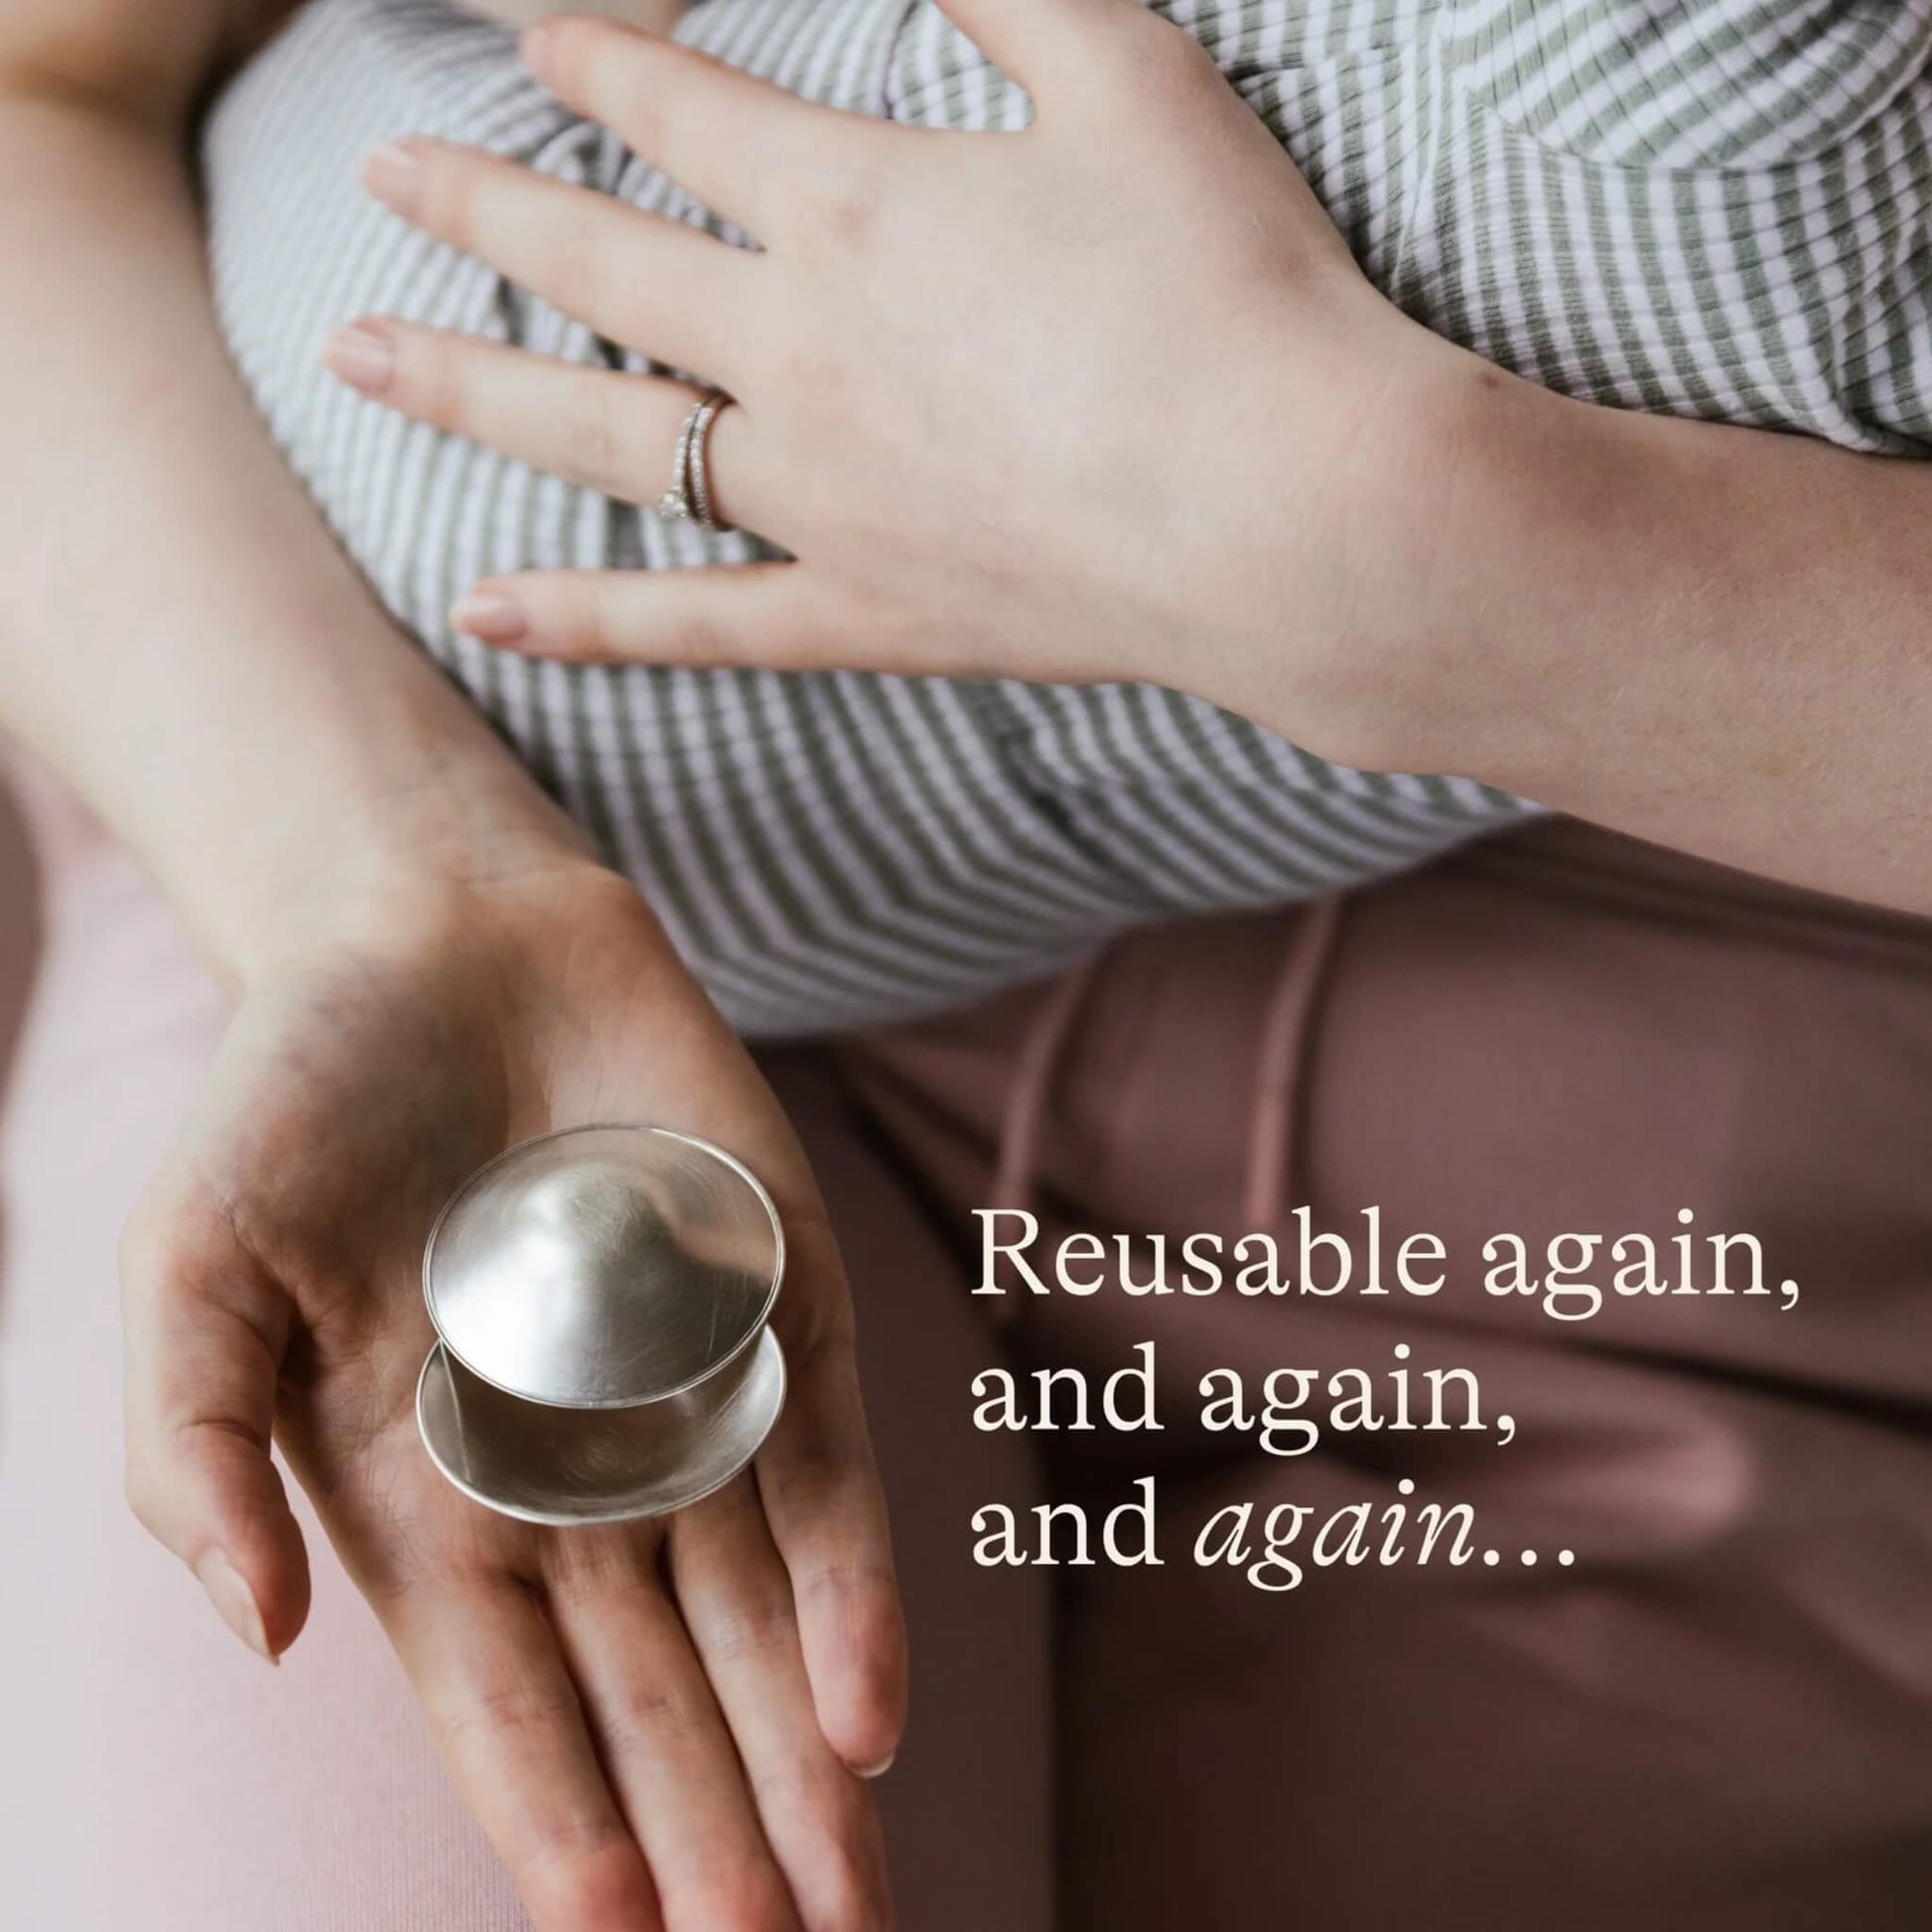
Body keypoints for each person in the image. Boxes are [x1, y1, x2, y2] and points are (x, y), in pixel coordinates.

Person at [3, 1, 1932, 1927]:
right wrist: (385, 877)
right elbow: (35, 92)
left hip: (1705, 1117)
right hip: (408, 792)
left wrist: (1445, 568)